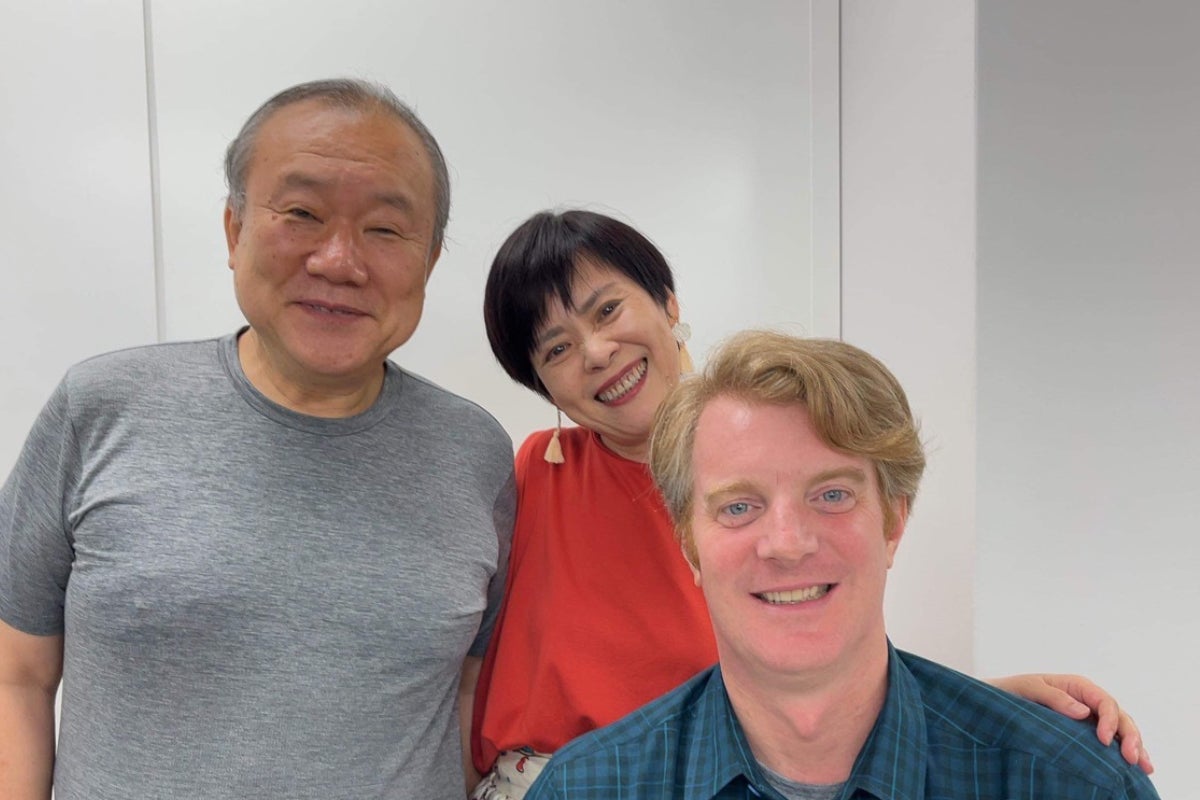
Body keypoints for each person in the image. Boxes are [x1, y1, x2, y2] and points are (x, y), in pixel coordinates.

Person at [471, 211, 1151, 799]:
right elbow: (461, 659)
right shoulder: (529, 476)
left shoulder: (790, 431)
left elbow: (812, 657)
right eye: (556, 348)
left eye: (607, 310)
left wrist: (974, 709)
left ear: (668, 304)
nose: (595, 352)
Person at [0, 78, 514, 800]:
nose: (339, 261)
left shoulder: (476, 452)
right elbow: (16, 674)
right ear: (234, 231)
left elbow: (466, 693)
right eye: (302, 213)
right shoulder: (101, 407)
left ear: (428, 261)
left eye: (385, 229)